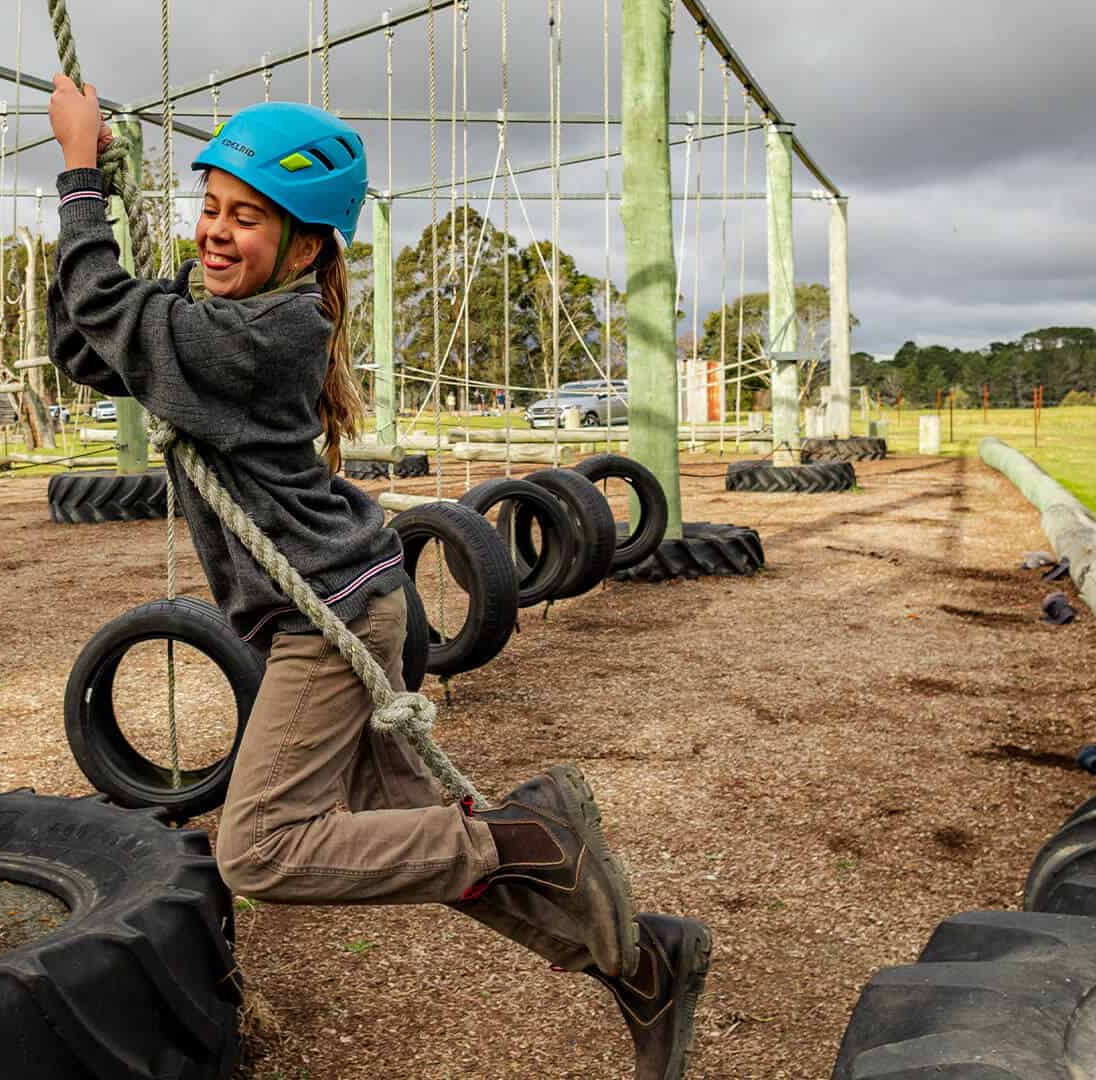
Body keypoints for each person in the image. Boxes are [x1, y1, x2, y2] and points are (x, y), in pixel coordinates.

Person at [44, 78, 709, 1079]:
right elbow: (83, 343)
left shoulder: (263, 336)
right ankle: (644, 961)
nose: (217, 233)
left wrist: (81, 180)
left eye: (248, 218)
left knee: (261, 849)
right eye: (211, 210)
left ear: (308, 246)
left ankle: (526, 836)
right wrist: (121, 240)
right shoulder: (218, 316)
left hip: (333, 621)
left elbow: (102, 307)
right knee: (426, 848)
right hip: (351, 600)